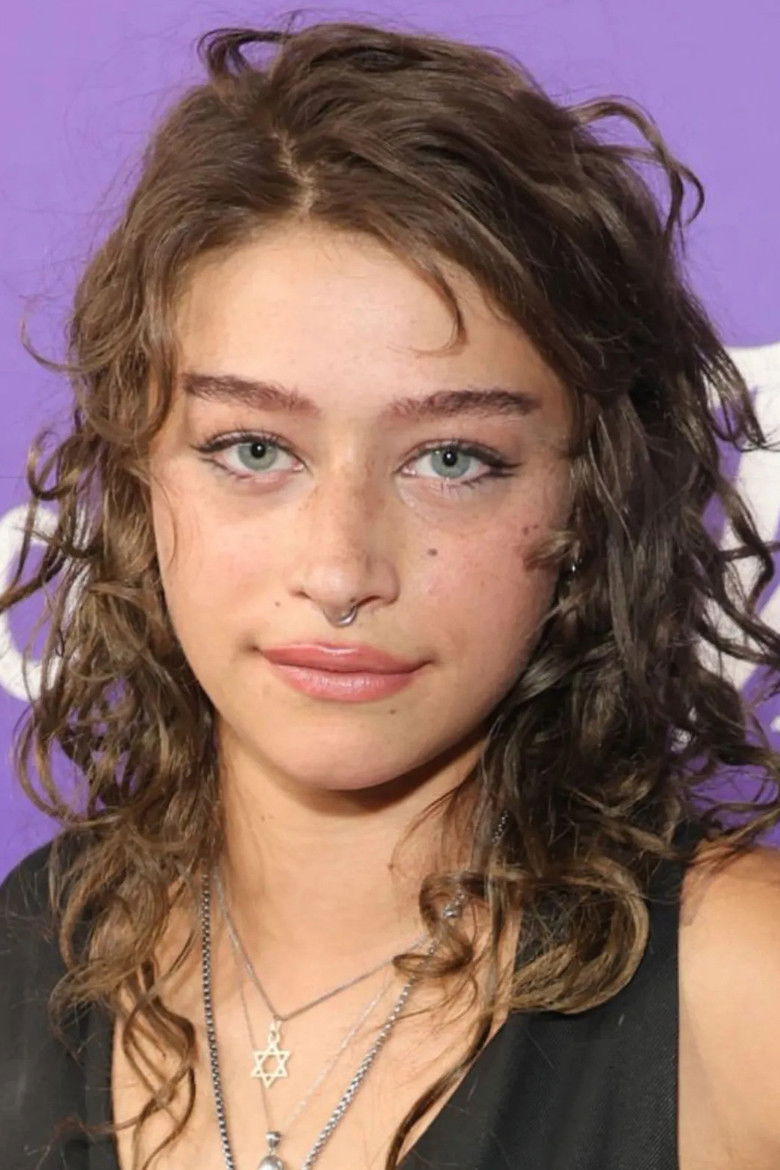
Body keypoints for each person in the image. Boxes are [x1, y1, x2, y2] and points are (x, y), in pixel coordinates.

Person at [1, 14, 780, 1170]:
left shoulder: (742, 993)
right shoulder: (25, 955)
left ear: (589, 500)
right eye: (254, 449)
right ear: (136, 477)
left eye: (452, 459)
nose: (341, 571)